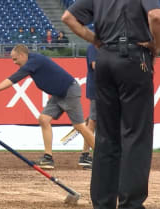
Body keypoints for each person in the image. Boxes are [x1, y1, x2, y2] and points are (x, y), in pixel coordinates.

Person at [62, 0, 160, 208]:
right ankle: (131, 204)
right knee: (136, 135)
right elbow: (155, 16)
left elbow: (68, 18)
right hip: (134, 56)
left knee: (106, 136)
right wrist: (156, 46)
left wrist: (96, 41)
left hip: (105, 58)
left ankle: (103, 203)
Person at [0, 44, 95, 169]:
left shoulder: (34, 61)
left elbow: (14, 78)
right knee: (43, 119)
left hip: (69, 91)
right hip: (57, 94)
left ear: (22, 55)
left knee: (79, 125)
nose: (14, 62)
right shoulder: (32, 62)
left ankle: (101, 156)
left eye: (15, 59)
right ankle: (48, 158)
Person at [78, 43, 97, 169]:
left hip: (103, 90)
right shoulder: (94, 47)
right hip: (98, 90)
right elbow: (95, 66)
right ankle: (85, 154)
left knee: (94, 120)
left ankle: (86, 154)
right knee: (93, 121)